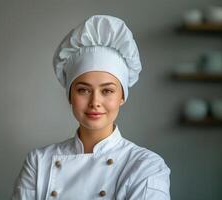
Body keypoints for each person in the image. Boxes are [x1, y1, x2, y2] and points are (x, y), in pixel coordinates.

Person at [11, 15, 171, 200]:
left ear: (122, 97)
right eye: (83, 90)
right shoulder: (39, 162)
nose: (95, 101)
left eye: (107, 91)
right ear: (70, 95)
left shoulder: (146, 166)